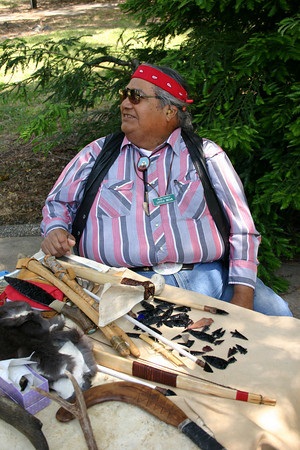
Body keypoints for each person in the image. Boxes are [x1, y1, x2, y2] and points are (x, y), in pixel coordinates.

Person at [41, 63, 292, 317]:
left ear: (170, 110)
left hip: (211, 283)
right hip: (123, 290)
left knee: (281, 321)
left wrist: (242, 296)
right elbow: (58, 204)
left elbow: (243, 229)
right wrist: (56, 229)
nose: (125, 104)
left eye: (136, 97)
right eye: (124, 95)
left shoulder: (206, 156)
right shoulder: (96, 155)